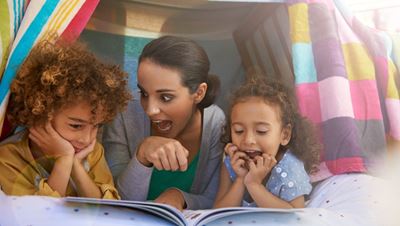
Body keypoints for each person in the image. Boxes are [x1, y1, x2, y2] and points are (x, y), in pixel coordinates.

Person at [102, 36, 225, 210]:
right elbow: (115, 198)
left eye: (166, 97)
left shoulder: (216, 124)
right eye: (144, 93)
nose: (150, 110)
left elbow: (216, 200)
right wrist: (142, 156)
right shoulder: (124, 111)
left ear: (199, 93)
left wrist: (180, 196)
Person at [0, 39, 132, 199]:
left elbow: (106, 208)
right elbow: (41, 218)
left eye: (97, 126)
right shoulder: (8, 158)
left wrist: (74, 164)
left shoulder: (92, 151)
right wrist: (63, 160)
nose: (87, 139)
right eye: (76, 126)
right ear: (40, 114)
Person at [214, 75, 320, 208]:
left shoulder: (289, 166)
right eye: (239, 131)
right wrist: (241, 179)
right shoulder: (232, 163)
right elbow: (218, 211)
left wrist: (254, 185)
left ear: (284, 135)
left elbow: (295, 215)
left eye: (261, 131)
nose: (248, 140)